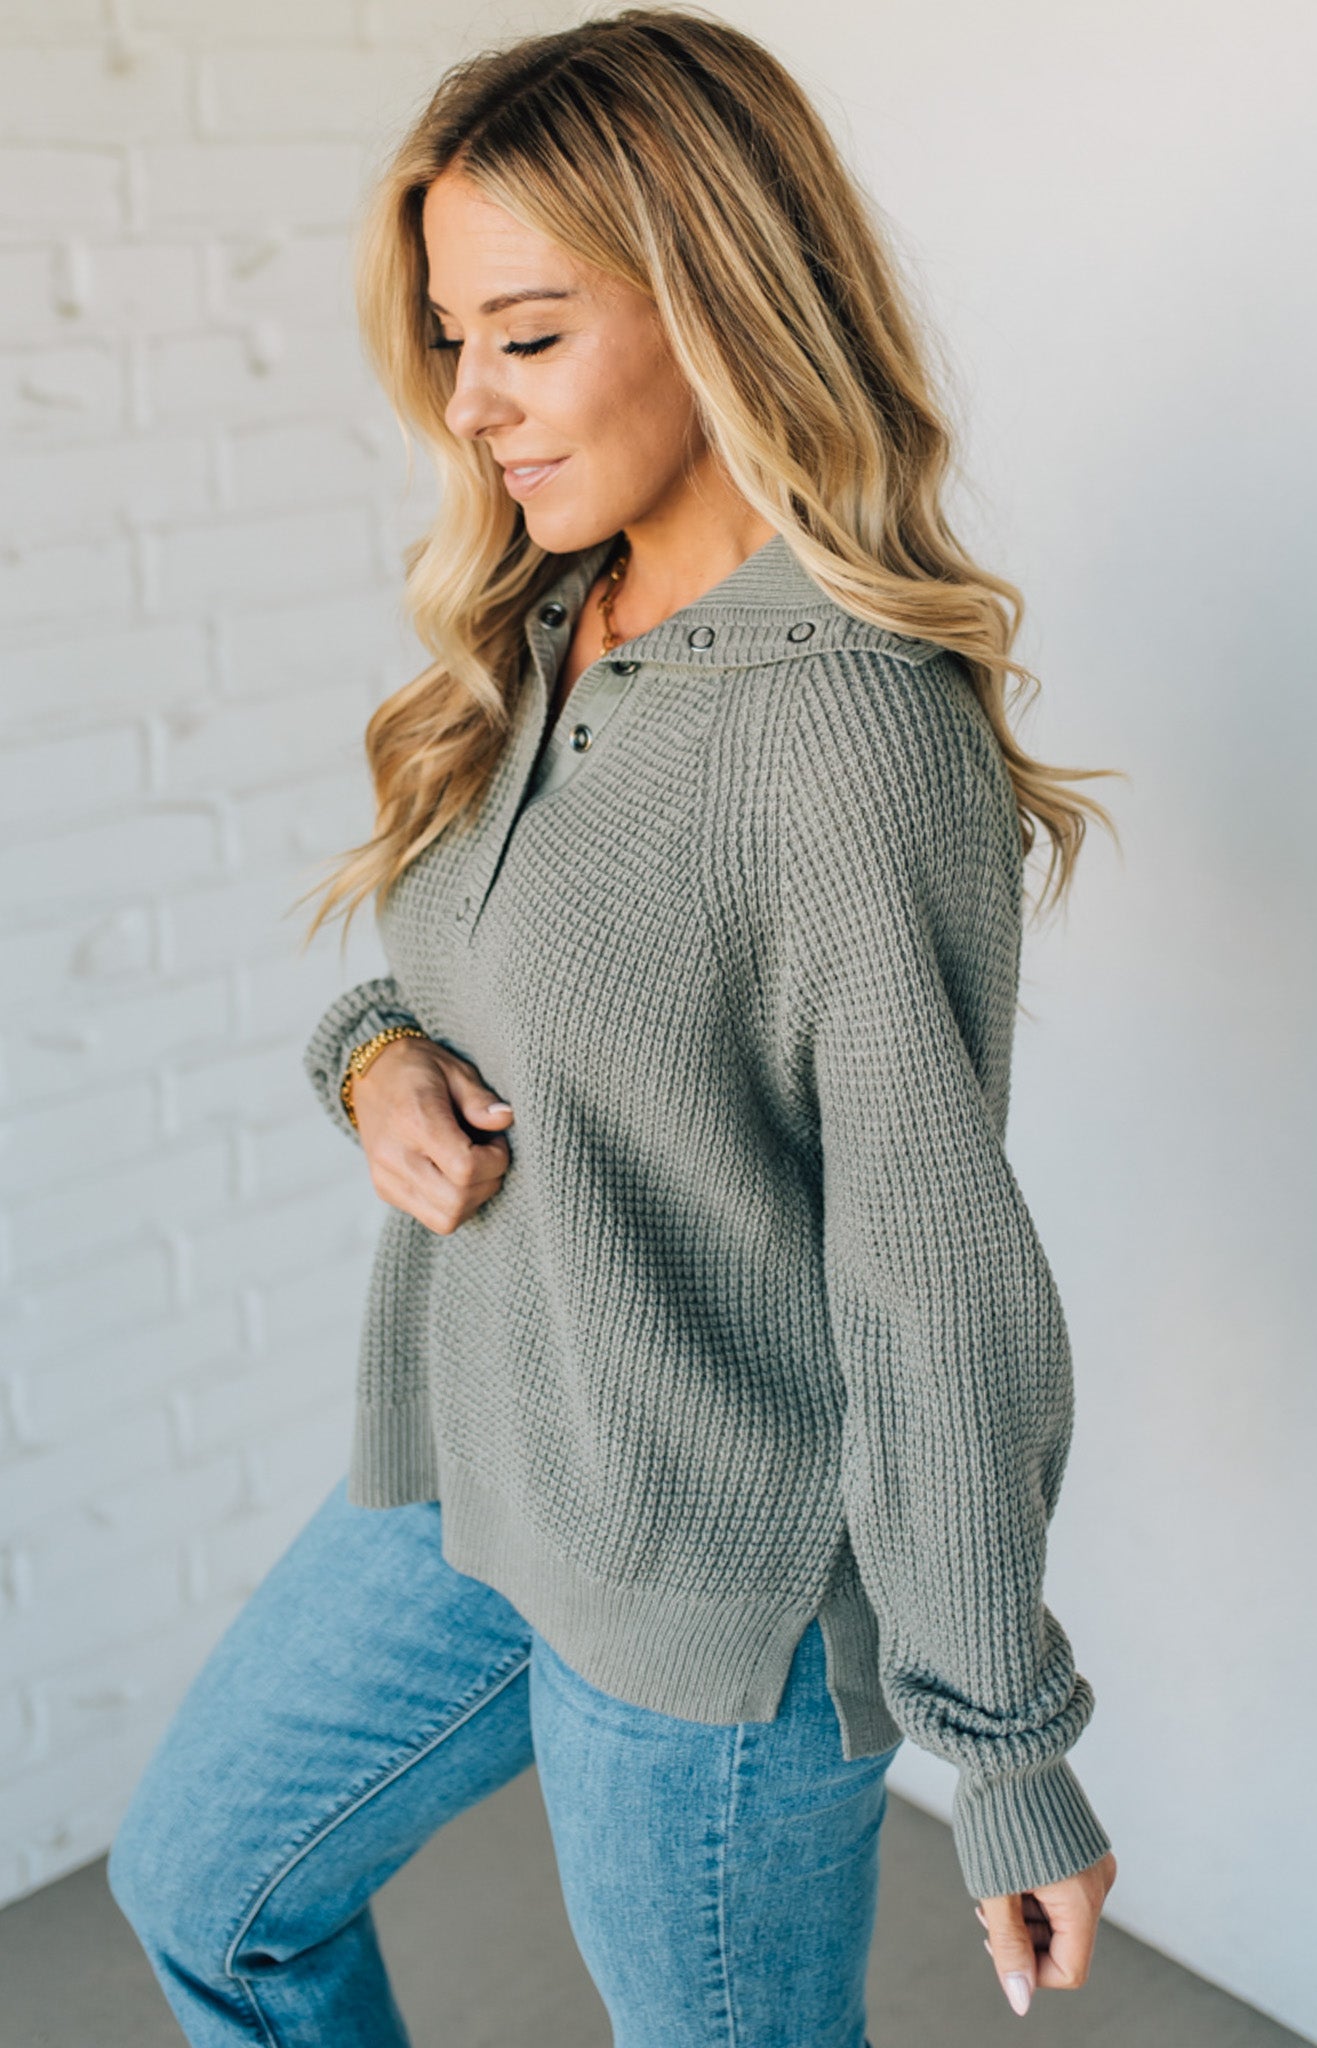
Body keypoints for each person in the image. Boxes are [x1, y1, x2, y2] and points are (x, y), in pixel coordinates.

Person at [107, 9, 1123, 2043]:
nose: (467, 402)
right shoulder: (551, 620)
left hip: (711, 1601)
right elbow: (465, 976)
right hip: (466, 1476)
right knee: (206, 1889)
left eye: (527, 333)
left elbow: (931, 1279)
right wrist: (371, 1060)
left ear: (716, 302)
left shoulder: (846, 732)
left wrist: (1001, 1742)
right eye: (450, 337)